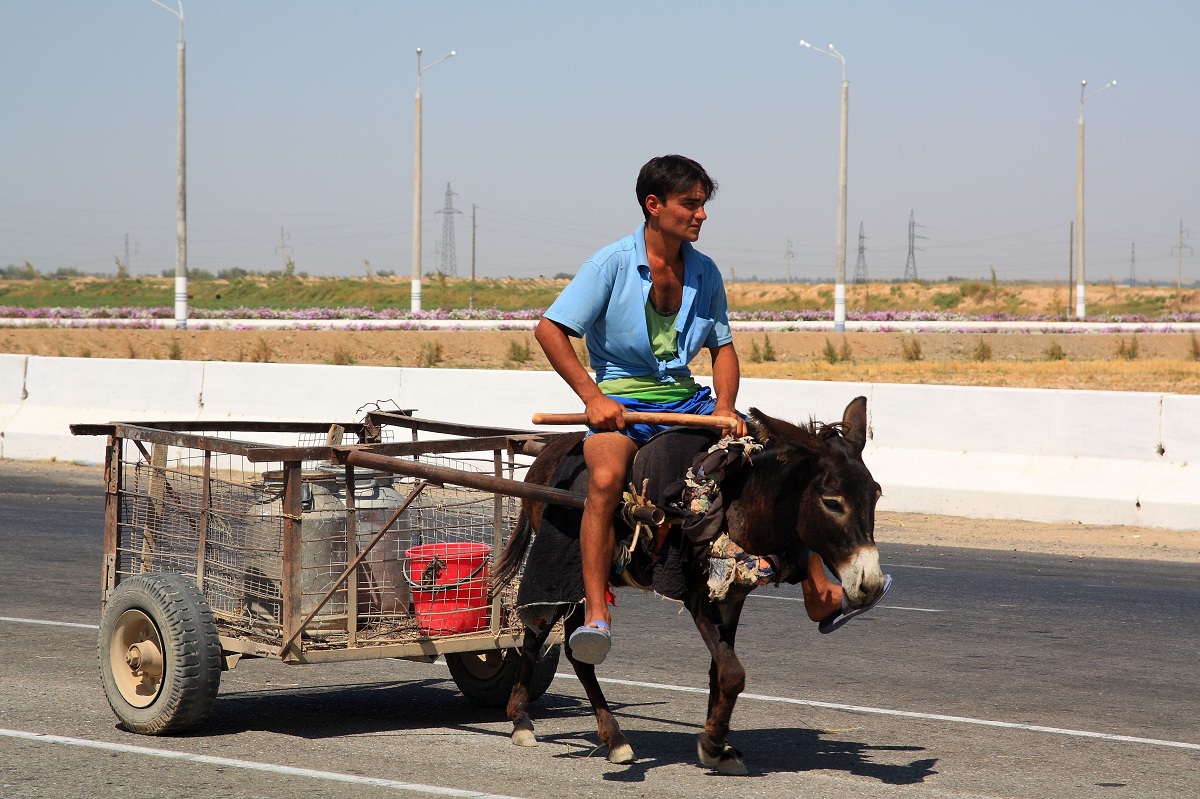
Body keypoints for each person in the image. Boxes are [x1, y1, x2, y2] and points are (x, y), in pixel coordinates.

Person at [535, 154, 847, 665]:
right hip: (624, 407)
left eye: (703, 205)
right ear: (653, 206)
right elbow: (550, 329)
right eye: (691, 204)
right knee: (607, 477)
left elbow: (722, 348)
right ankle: (596, 613)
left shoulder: (705, 271)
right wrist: (594, 399)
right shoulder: (609, 264)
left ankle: (818, 586)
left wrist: (724, 406)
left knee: (775, 462)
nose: (701, 215)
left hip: (689, 404)